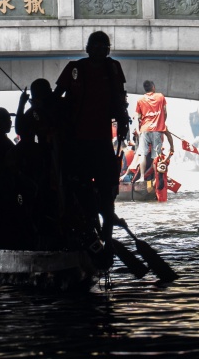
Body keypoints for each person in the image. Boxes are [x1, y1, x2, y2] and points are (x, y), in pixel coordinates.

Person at [53, 31, 128, 263]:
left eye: (104, 46)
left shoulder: (113, 68)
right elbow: (57, 97)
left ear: (108, 49)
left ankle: (106, 239)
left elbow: (119, 98)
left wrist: (124, 123)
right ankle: (86, 234)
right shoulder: (74, 68)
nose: (100, 50)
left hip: (103, 142)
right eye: (96, 46)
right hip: (77, 142)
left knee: (107, 195)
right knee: (78, 191)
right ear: (88, 48)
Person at [134, 80, 167, 185]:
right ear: (153, 87)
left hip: (144, 130)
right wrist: (162, 123)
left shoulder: (140, 100)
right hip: (157, 130)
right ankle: (156, 179)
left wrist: (138, 130)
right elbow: (165, 112)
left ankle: (142, 177)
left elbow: (137, 117)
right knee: (156, 156)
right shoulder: (160, 97)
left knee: (143, 155)